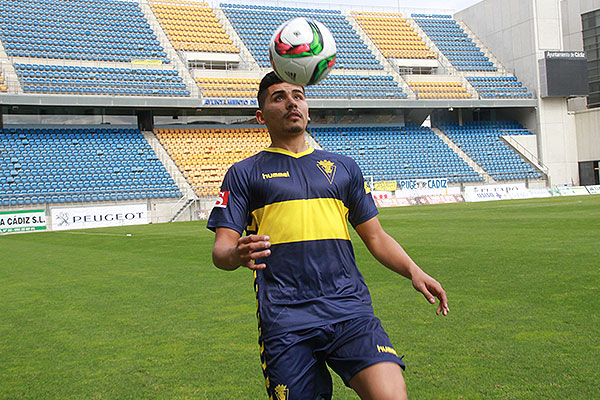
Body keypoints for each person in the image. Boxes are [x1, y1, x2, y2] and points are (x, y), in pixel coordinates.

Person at [207, 71, 449, 400]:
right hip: (286, 319)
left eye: (298, 95)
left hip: (349, 309)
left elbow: (376, 237)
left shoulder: (344, 168)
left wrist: (413, 270)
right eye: (279, 97)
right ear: (261, 115)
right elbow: (221, 251)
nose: (291, 102)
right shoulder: (244, 174)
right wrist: (236, 254)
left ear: (307, 109)